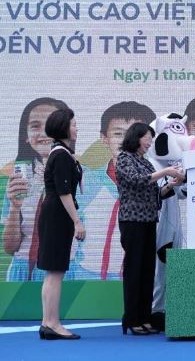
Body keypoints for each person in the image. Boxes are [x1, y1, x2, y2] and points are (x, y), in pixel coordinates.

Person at [116, 123, 184, 335]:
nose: (150, 143)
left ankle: (145, 317)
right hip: (132, 221)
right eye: (147, 138)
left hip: (148, 220)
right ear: (136, 137)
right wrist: (166, 171)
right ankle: (132, 319)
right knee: (134, 270)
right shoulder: (124, 158)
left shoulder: (144, 162)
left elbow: (155, 194)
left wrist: (170, 185)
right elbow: (137, 181)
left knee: (147, 270)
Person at [75, 101, 156, 280]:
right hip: (88, 276)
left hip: (140, 274)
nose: (126, 140)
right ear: (104, 138)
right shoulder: (86, 180)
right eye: (118, 133)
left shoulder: (157, 178)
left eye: (135, 133)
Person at [2, 97, 68, 281]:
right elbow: (9, 247)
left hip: (60, 270)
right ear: (26, 135)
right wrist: (14, 208)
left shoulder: (81, 176)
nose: (44, 132)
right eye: (35, 126)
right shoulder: (18, 178)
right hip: (21, 272)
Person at [37, 108, 85, 340]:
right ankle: (53, 323)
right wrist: (77, 221)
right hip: (58, 214)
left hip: (55, 212)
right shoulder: (61, 155)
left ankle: (48, 322)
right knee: (55, 271)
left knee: (53, 271)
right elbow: (64, 191)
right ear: (63, 127)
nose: (76, 128)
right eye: (73, 124)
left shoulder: (62, 153)